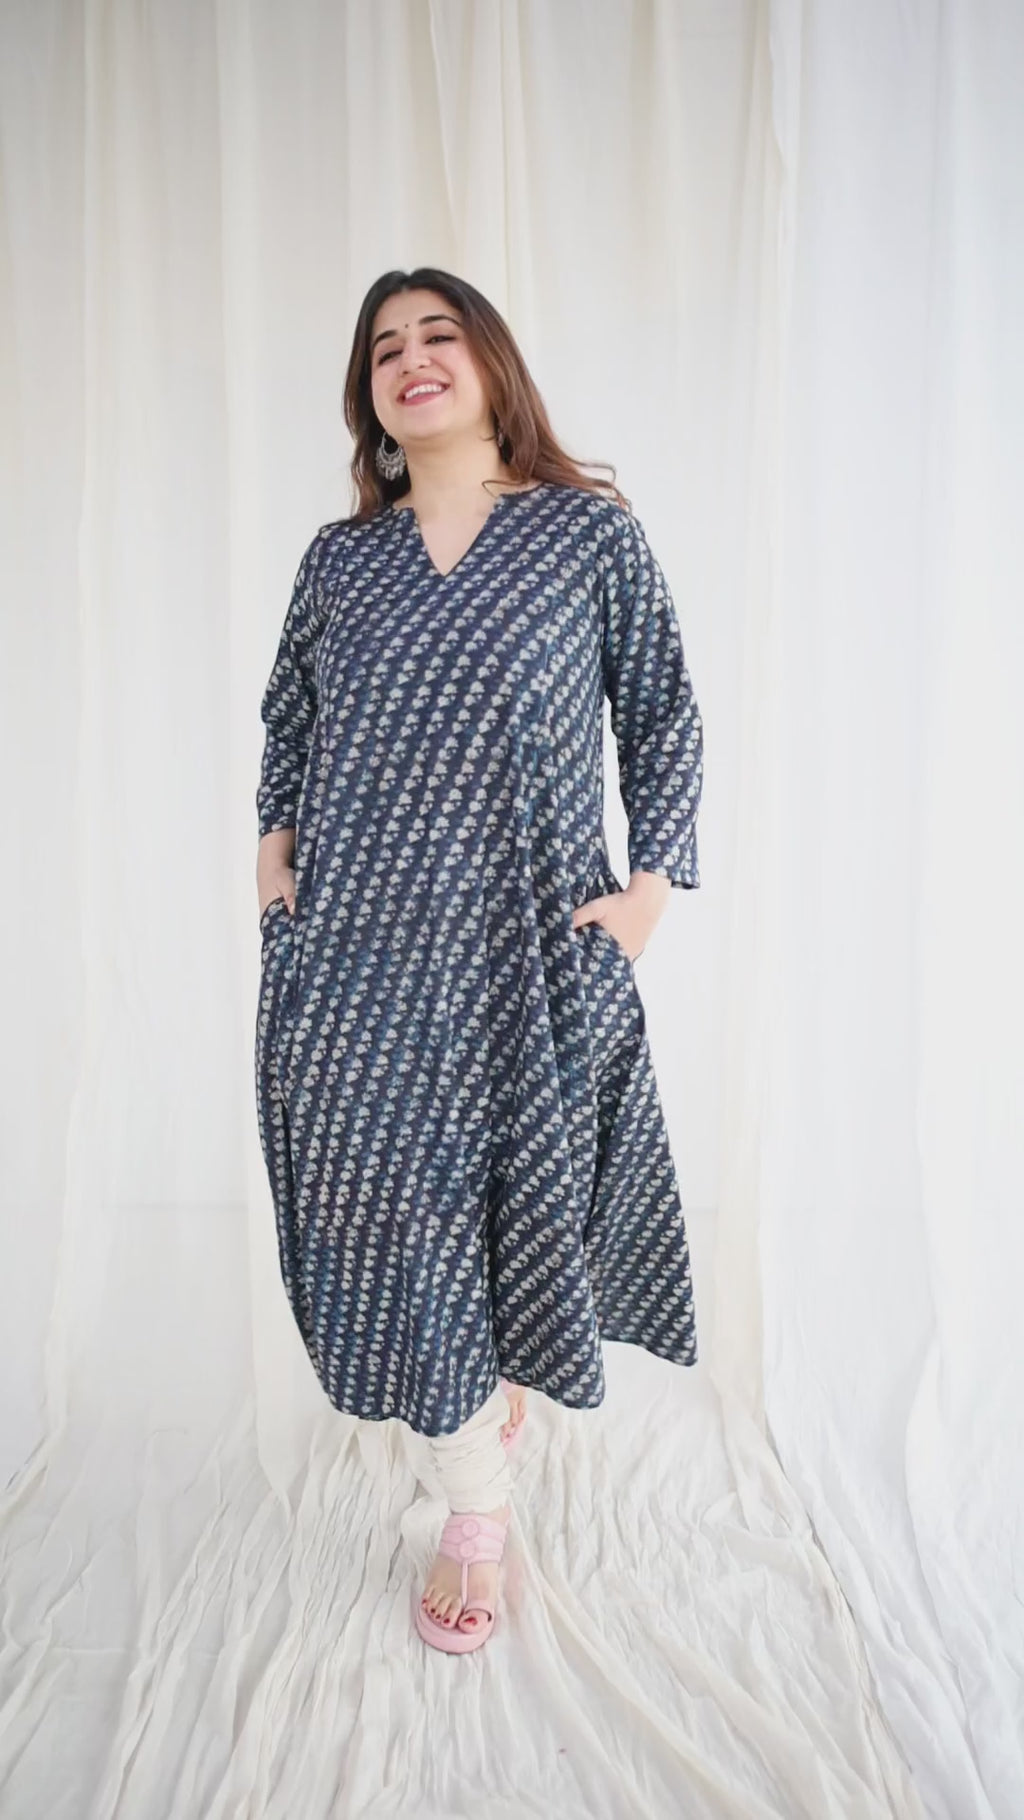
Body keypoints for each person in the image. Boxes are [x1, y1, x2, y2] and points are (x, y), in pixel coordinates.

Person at [254, 266, 704, 1654]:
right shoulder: (343, 562)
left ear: (492, 362)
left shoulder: (586, 536)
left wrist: (650, 890)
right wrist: (273, 854)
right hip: (359, 957)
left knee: (515, 1209)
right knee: (394, 1212)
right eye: (385, 347)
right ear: (370, 398)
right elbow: (290, 719)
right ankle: (475, 1504)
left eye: (439, 334)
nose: (412, 358)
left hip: (527, 955)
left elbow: (663, 710)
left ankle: (482, 1419)